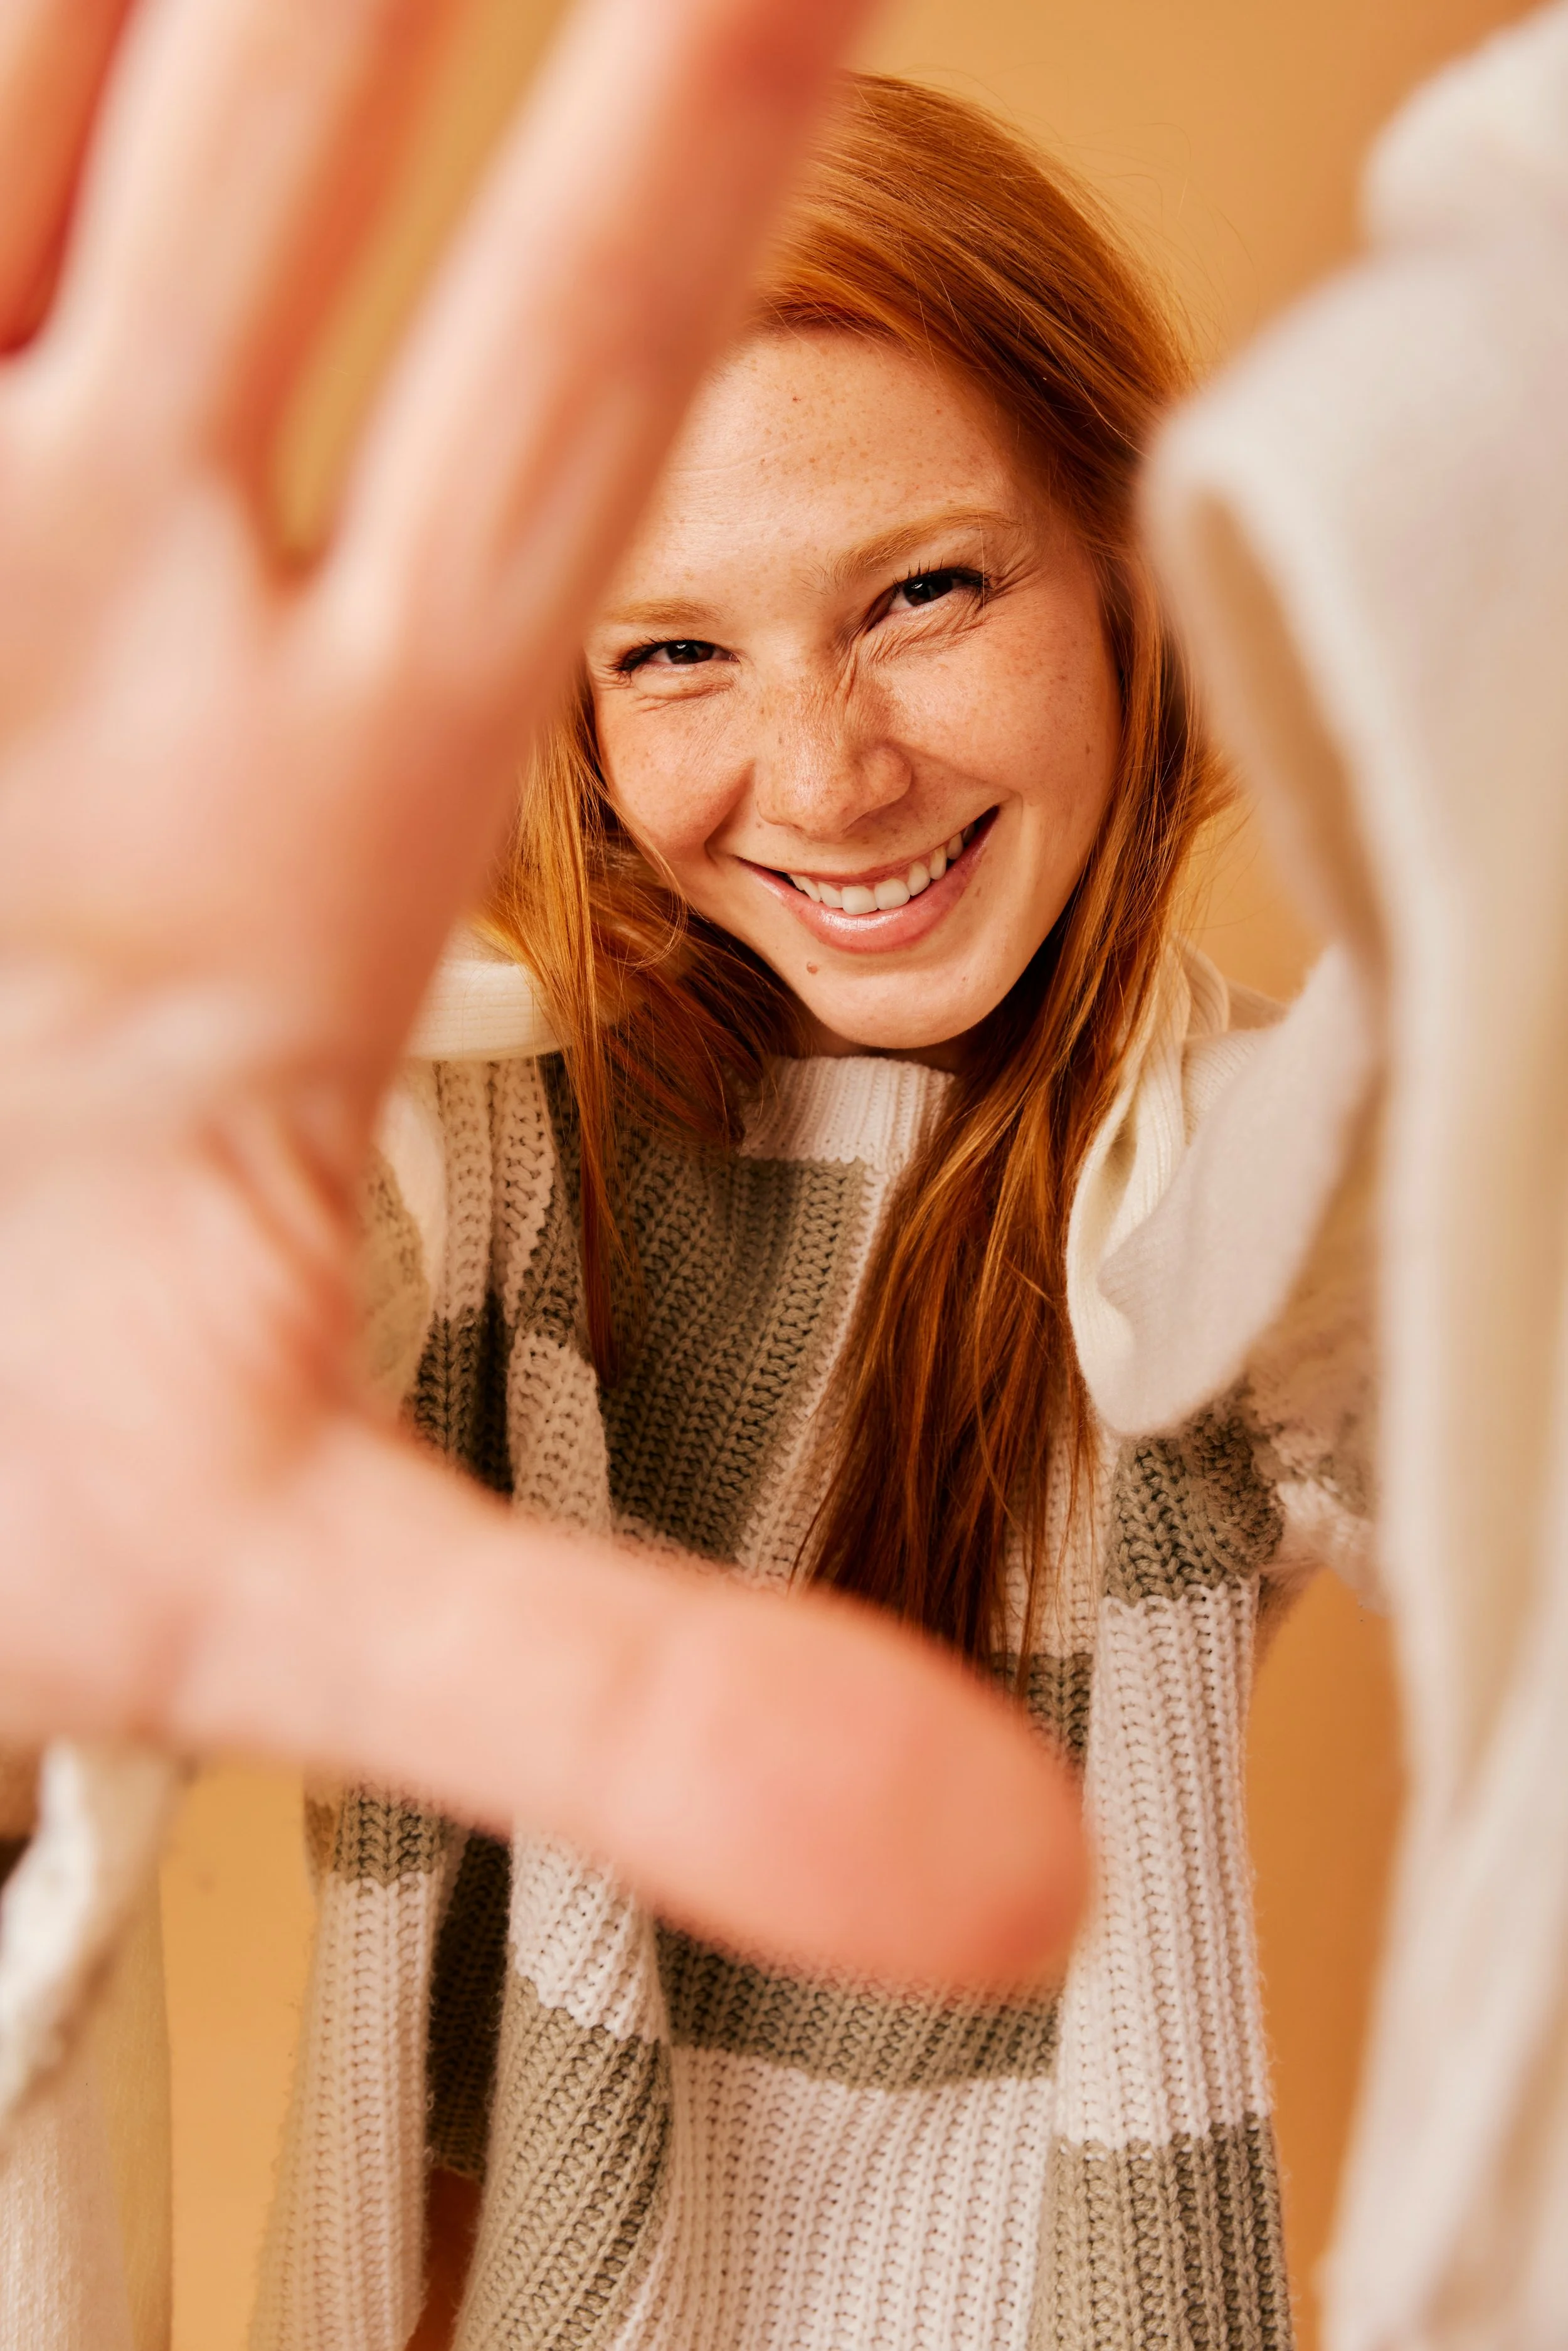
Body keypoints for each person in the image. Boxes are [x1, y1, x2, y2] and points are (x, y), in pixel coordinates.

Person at [257, 75, 1377, 2351]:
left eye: (923, 592)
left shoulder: (1244, 1184)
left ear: (1126, 570)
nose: (831, 773)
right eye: (674, 651)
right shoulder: (471, 1138)